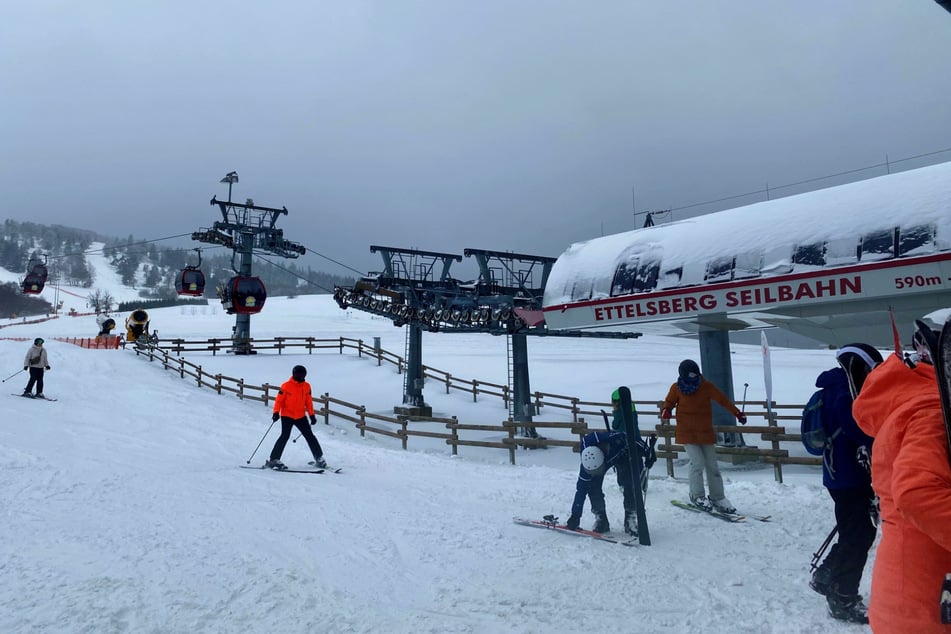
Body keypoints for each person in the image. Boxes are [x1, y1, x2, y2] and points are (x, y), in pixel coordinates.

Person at [853, 324, 951, 633]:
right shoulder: (930, 411)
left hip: (910, 594)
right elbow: (918, 493)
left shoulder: (913, 401)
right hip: (925, 603)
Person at [809, 343, 883, 624]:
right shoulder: (843, 391)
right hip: (848, 475)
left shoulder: (836, 386)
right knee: (859, 535)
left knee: (852, 529)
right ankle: (843, 598)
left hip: (839, 474)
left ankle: (826, 576)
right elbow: (858, 429)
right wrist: (883, 438)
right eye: (870, 368)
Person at [660, 359, 747, 513]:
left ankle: (717, 497)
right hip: (687, 432)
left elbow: (723, 400)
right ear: (684, 375)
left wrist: (737, 413)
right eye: (691, 374)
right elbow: (669, 402)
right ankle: (697, 495)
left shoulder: (706, 386)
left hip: (705, 432)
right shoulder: (677, 388)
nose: (694, 377)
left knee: (713, 465)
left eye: (696, 374)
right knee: (697, 462)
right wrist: (667, 410)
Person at [566, 429, 650, 536]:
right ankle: (601, 518)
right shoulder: (587, 463)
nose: (595, 473)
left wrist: (647, 451)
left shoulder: (615, 439)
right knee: (592, 486)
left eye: (598, 470)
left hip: (622, 454)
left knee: (629, 483)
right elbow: (581, 490)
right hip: (600, 461)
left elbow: (630, 435)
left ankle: (630, 517)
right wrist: (575, 515)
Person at [265, 365, 327, 470]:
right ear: (294, 374)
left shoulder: (306, 386)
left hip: (300, 416)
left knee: (310, 436)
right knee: (284, 436)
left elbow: (308, 402)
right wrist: (276, 412)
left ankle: (319, 457)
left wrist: (312, 415)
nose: (301, 377)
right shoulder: (286, 386)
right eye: (299, 375)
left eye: (303, 375)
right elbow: (279, 401)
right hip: (287, 415)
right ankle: (274, 459)